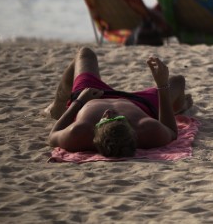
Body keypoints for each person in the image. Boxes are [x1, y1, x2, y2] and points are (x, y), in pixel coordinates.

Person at [46, 47, 192, 157]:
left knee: (85, 53)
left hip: (89, 96)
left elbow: (53, 136)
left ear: (93, 132)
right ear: (133, 130)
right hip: (140, 103)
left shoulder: (79, 133)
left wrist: (79, 101)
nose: (109, 112)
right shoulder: (147, 129)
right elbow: (172, 132)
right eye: (120, 118)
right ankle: (180, 106)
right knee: (177, 81)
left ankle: (57, 106)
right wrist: (161, 85)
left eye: (104, 119)